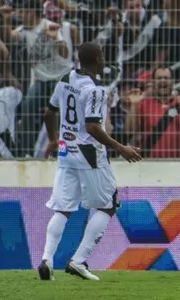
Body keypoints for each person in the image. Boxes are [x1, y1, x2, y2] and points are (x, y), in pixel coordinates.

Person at [38, 42, 143, 281]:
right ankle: (78, 260)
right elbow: (93, 126)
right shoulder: (96, 89)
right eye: (103, 55)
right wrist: (121, 148)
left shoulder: (66, 79)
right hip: (89, 154)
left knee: (62, 209)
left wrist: (54, 139)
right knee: (109, 204)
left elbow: (49, 112)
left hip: (66, 151)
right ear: (97, 60)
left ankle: (46, 259)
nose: (104, 58)